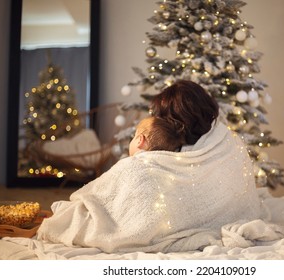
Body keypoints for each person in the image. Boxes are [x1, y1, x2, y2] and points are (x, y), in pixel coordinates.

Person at [37, 80, 265, 254]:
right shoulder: (229, 139)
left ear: (177, 121)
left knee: (133, 172)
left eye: (161, 117)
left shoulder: (222, 145)